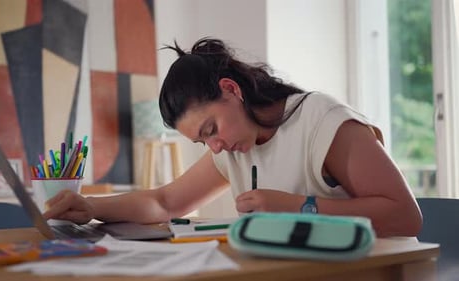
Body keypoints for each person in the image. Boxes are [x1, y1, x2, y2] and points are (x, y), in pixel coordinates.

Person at [44, 37, 422, 237]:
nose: (215, 147)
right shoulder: (235, 148)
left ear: (231, 90)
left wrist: (297, 206)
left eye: (210, 130)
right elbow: (165, 201)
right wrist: (91, 208)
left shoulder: (323, 122)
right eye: (202, 142)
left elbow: (406, 217)